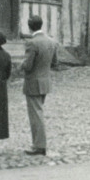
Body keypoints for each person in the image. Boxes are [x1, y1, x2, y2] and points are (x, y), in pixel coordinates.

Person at [20, 14, 58, 156]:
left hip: (33, 83)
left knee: (36, 115)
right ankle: (38, 144)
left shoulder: (32, 43)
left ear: (29, 27)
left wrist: (21, 65)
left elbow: (28, 65)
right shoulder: (51, 42)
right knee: (38, 112)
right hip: (45, 82)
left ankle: (39, 145)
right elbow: (54, 63)